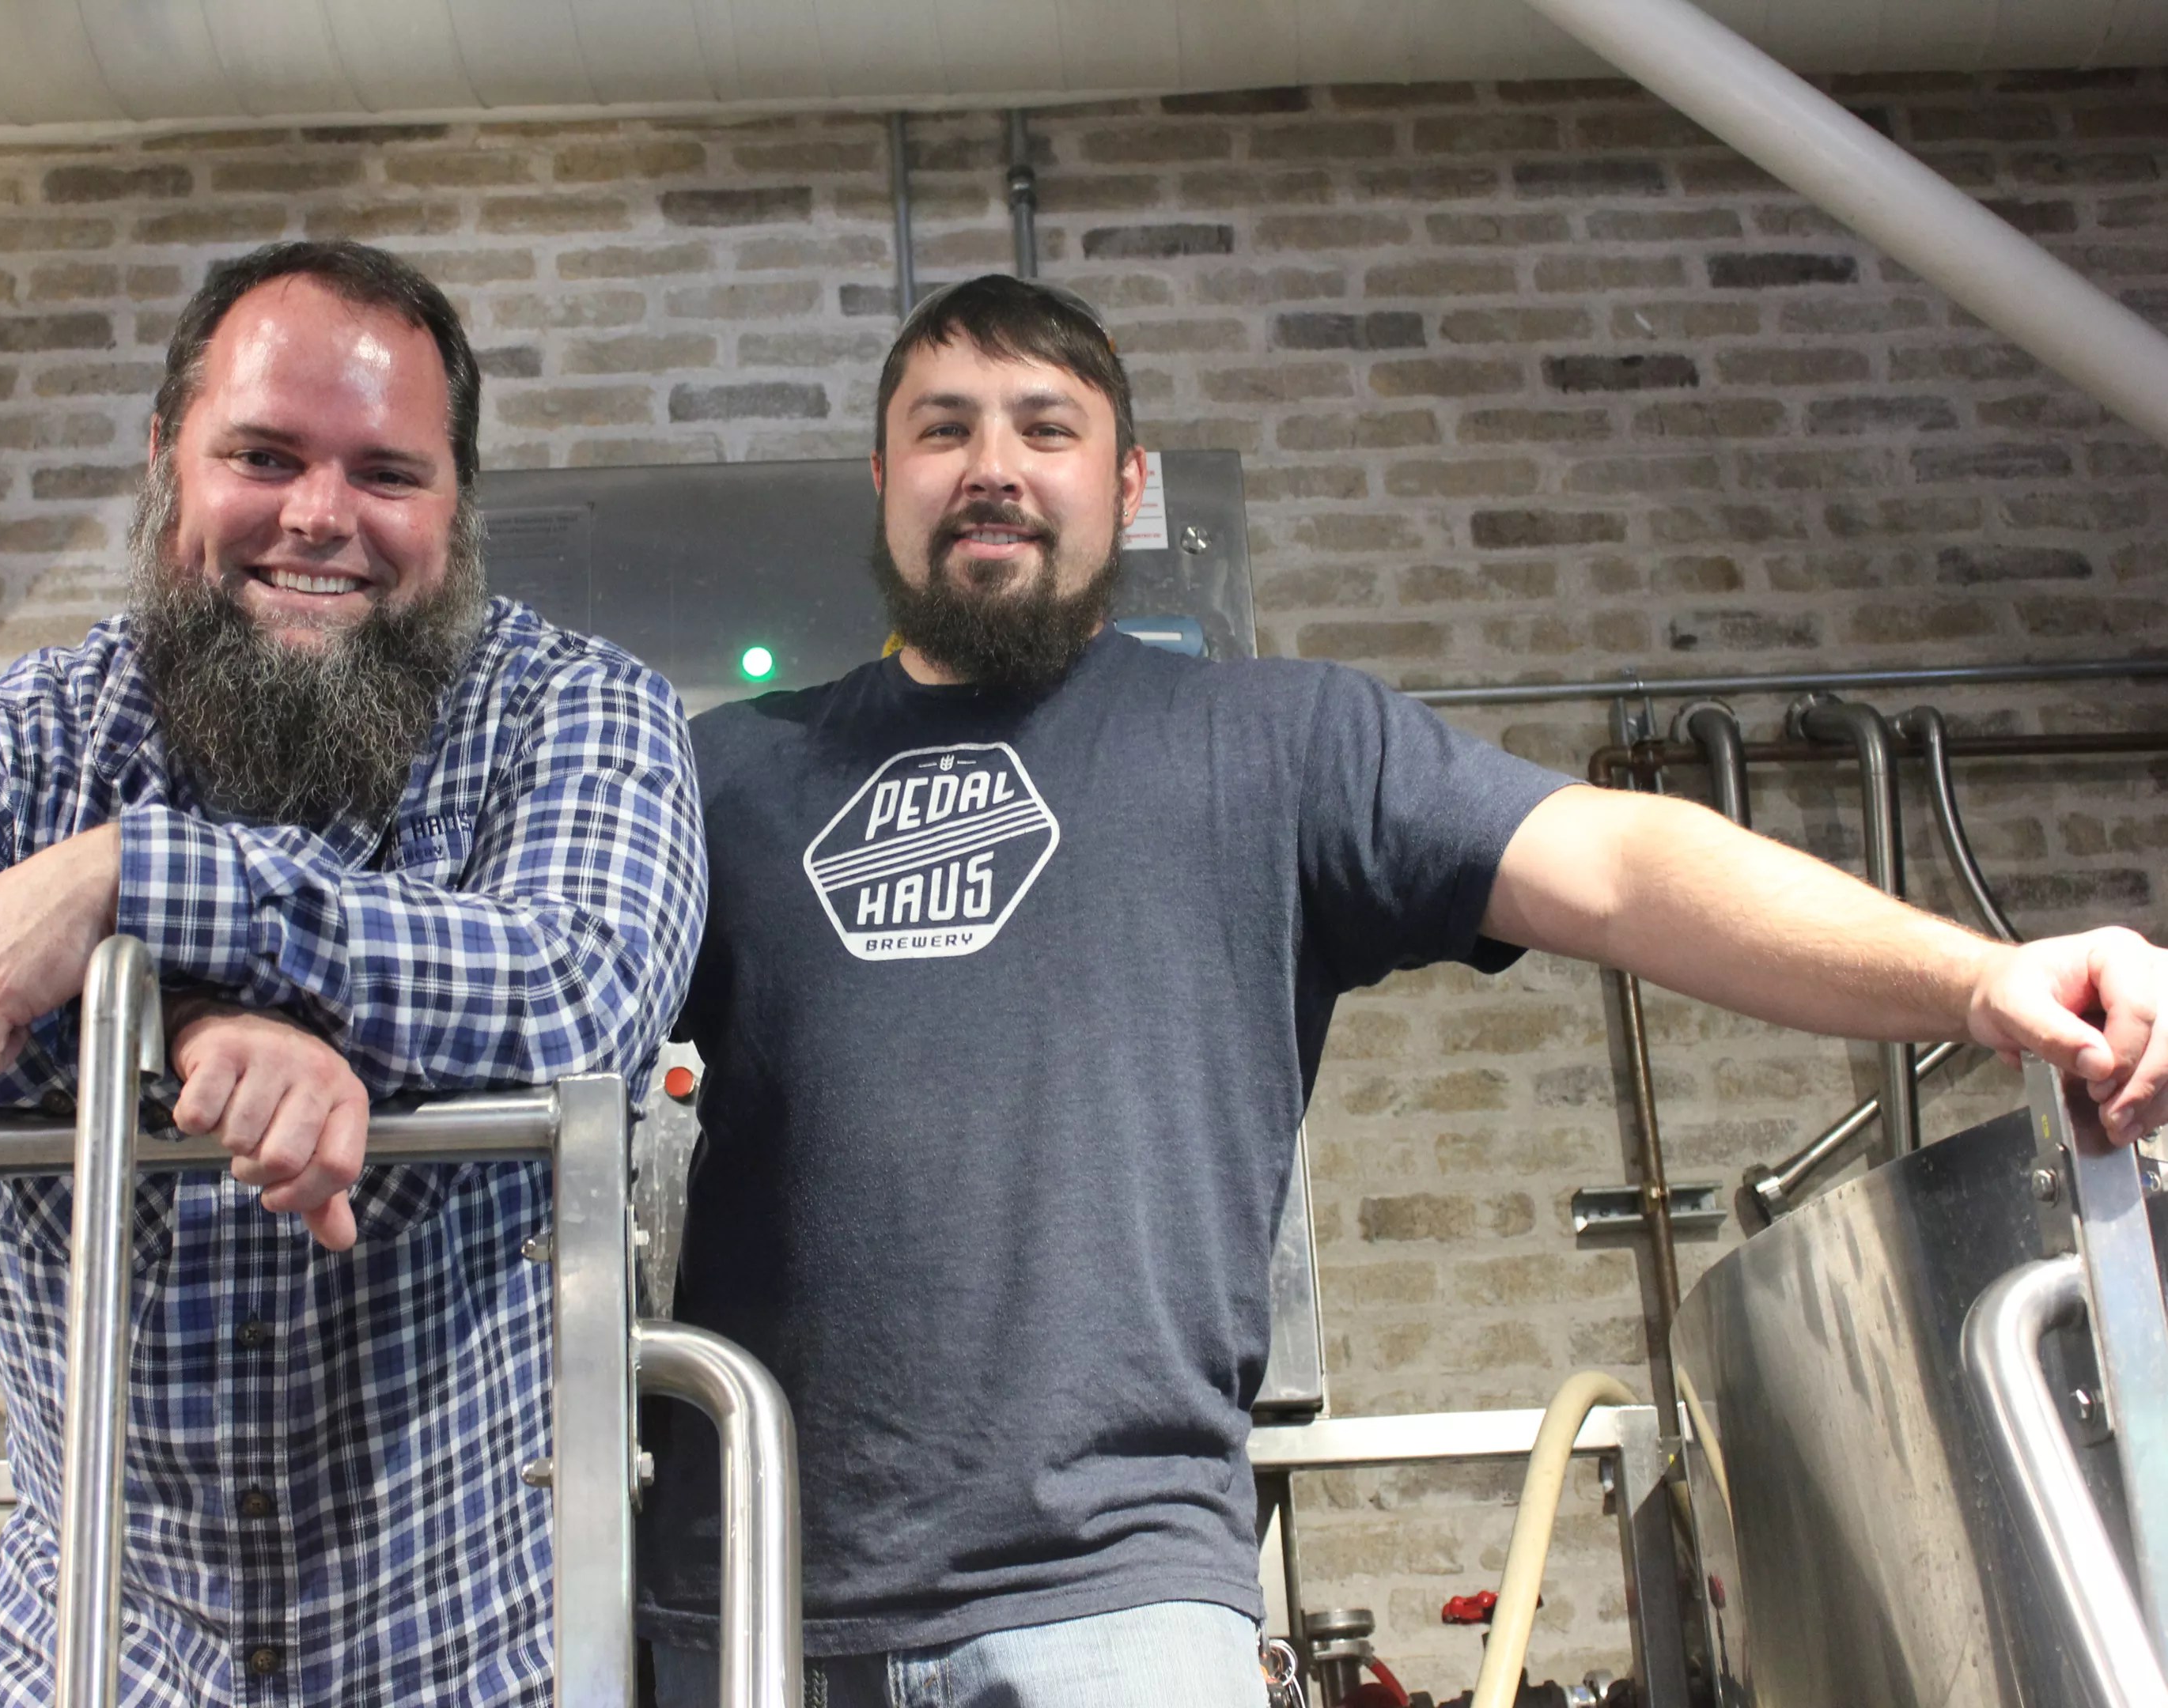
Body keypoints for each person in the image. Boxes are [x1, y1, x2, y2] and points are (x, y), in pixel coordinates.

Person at [637, 273, 2168, 1706]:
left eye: (1046, 428)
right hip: (742, 1597)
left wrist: (1982, 977)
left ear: (1127, 482)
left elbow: (1619, 866)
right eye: (943, 429)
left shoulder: (1276, 744)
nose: (992, 467)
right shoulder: (725, 776)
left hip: (1117, 1602)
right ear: (883, 476)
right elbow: (546, 1039)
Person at [0, 240, 706, 1706]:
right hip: (99, 1662)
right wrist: (182, 1028)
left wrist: (135, 881)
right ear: (165, 460)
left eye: (388, 473)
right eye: (263, 455)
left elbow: (583, 993)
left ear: (456, 501)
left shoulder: (576, 710)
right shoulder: (5, 743)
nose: (320, 517)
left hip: (471, 1662)